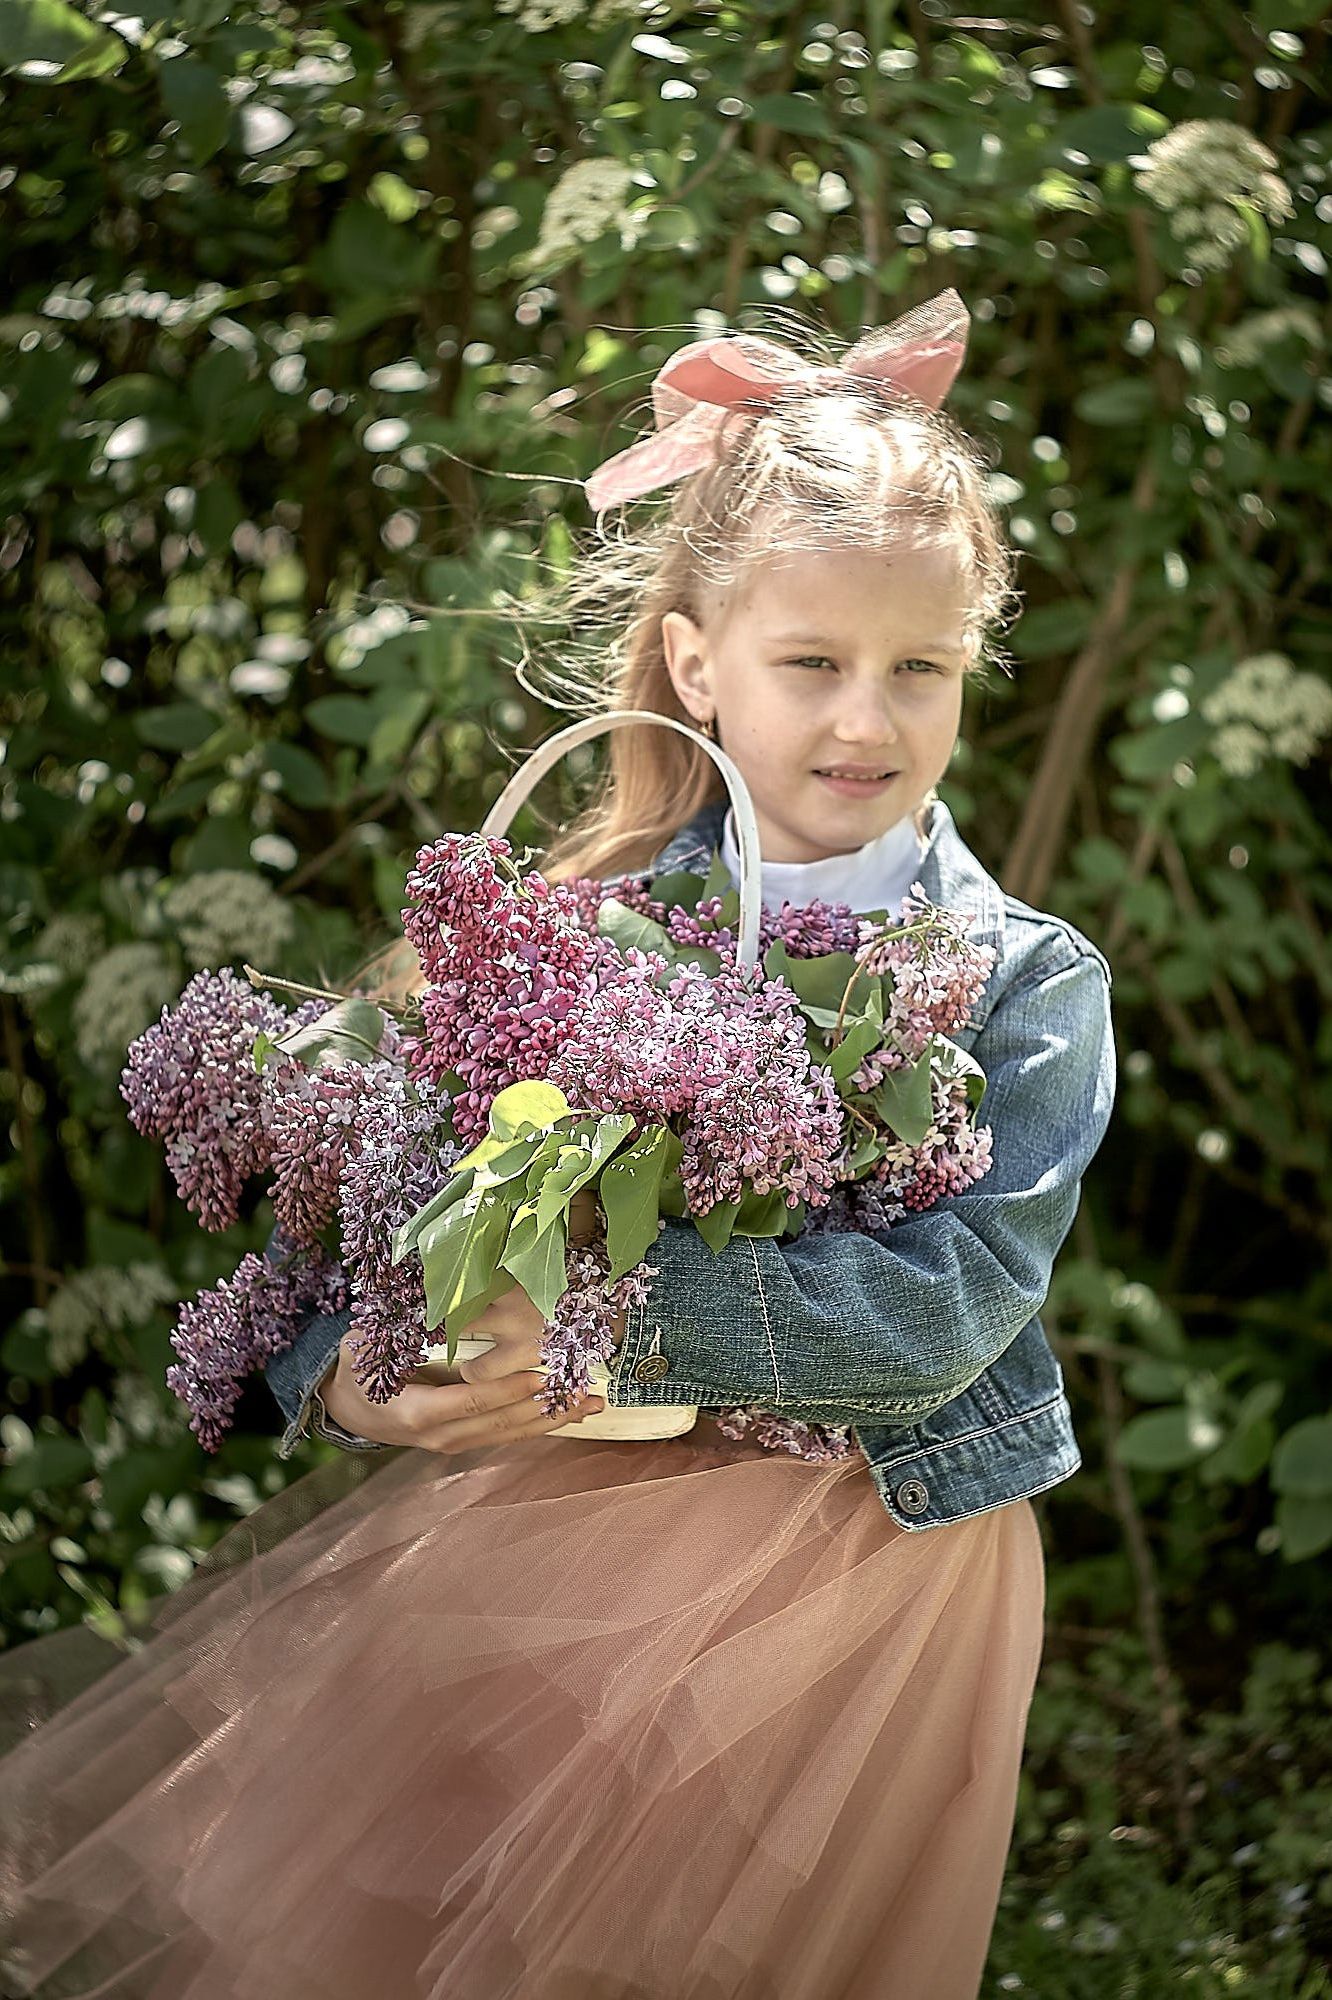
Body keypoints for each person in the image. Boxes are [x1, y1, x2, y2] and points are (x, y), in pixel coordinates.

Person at [0, 290, 1115, 2000]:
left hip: (873, 1582)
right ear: (695, 663)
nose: (865, 725)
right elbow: (360, 1228)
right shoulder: (568, 930)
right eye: (811, 663)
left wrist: (611, 1326)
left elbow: (950, 1303)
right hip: (559, 1559)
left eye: (923, 671)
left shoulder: (1025, 985)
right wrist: (364, 1371)